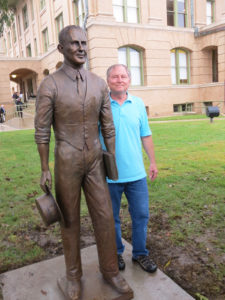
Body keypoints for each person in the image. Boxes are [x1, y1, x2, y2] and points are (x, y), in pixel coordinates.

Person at [35, 26, 131, 300]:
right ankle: (73, 276)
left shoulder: (99, 83)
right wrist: (44, 167)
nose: (81, 48)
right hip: (67, 159)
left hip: (94, 159)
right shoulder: (50, 84)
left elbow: (108, 125)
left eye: (84, 43)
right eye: (74, 43)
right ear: (61, 48)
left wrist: (109, 156)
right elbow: (41, 131)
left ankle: (111, 270)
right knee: (70, 220)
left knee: (104, 214)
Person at [103, 64, 158, 273]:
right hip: (108, 175)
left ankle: (140, 254)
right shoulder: (101, 105)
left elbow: (146, 134)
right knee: (111, 218)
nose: (119, 80)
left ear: (129, 80)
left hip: (136, 175)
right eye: (115, 76)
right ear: (108, 80)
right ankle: (116, 252)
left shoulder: (138, 104)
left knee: (141, 215)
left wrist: (152, 162)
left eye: (123, 76)